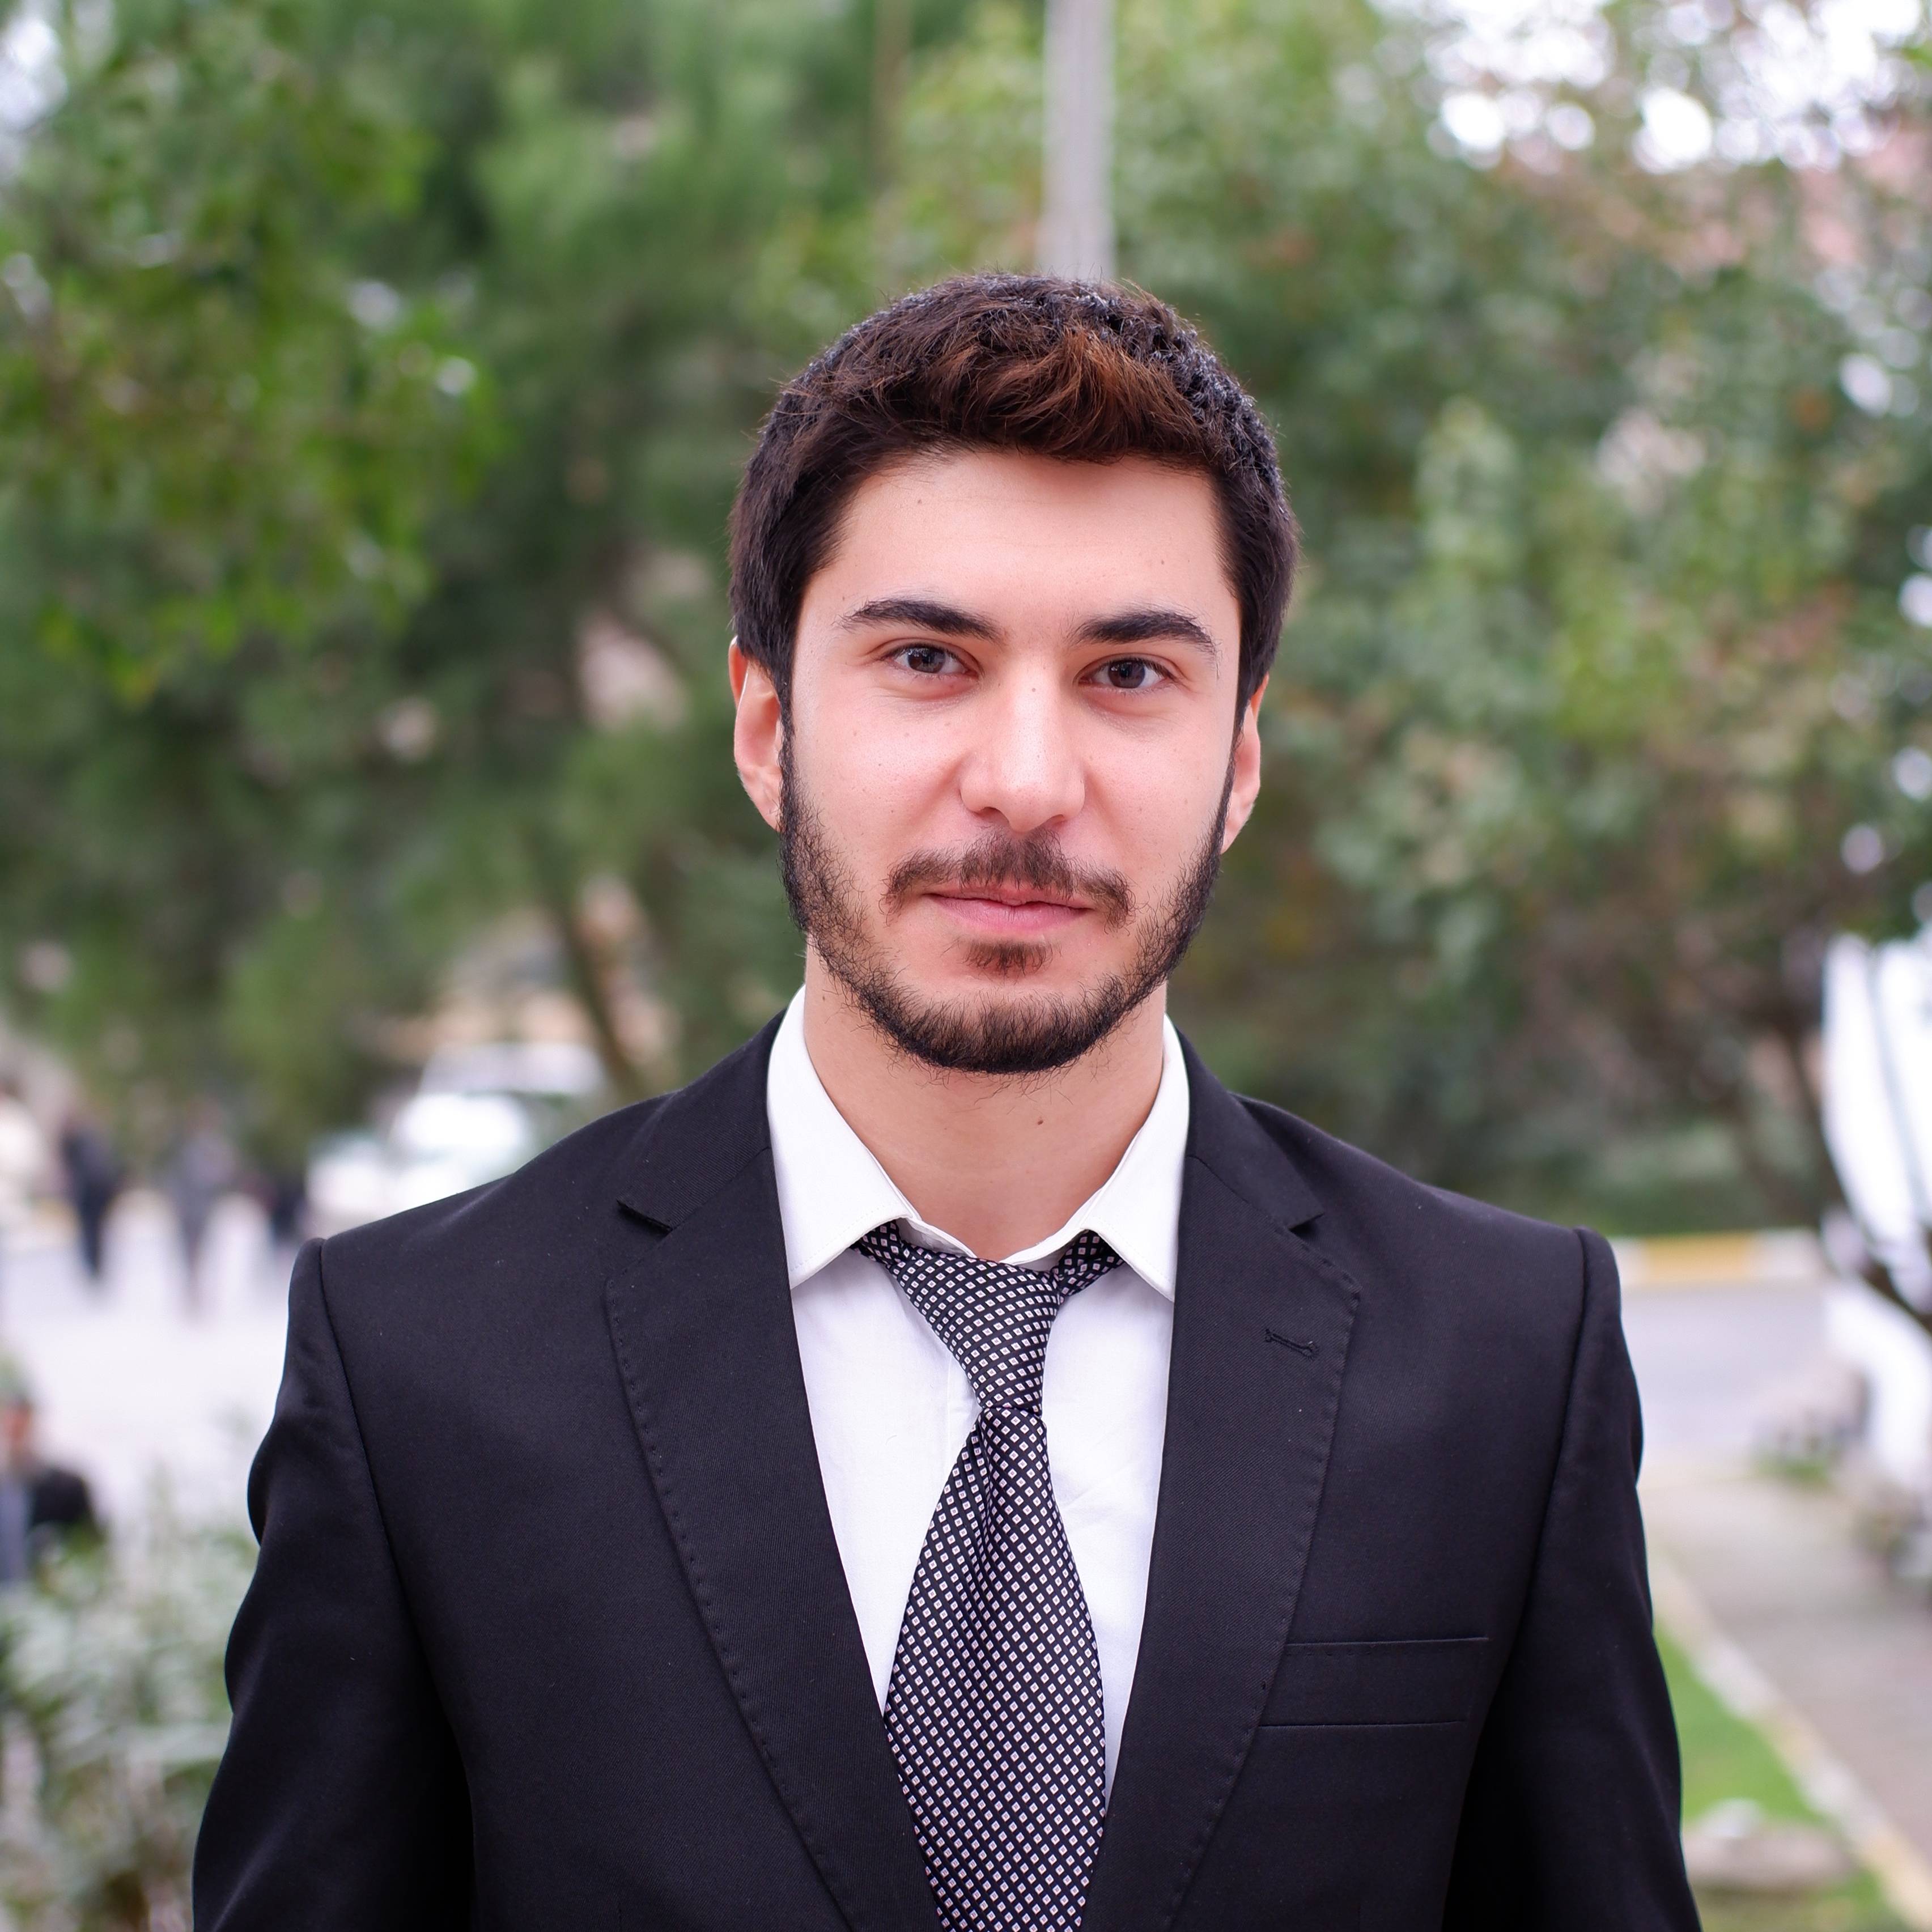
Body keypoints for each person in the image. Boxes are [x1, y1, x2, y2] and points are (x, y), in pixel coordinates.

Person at [194, 279, 1698, 1930]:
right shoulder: (422, 1362)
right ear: (768, 727)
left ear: (1238, 764)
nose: (1026, 781)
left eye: (1129, 672)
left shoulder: (1502, 1353)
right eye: (927, 659)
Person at [0, 1357, 98, 1583]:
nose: (14, 1430)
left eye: (21, 1420)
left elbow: (93, 1556)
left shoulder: (68, 1490)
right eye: (8, 1420)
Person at [57, 1111, 120, 1288]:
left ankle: (94, 1268)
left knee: (90, 1231)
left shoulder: (77, 1141)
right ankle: (96, 1267)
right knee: (95, 1232)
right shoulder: (92, 1139)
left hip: (90, 1193)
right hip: (96, 1193)